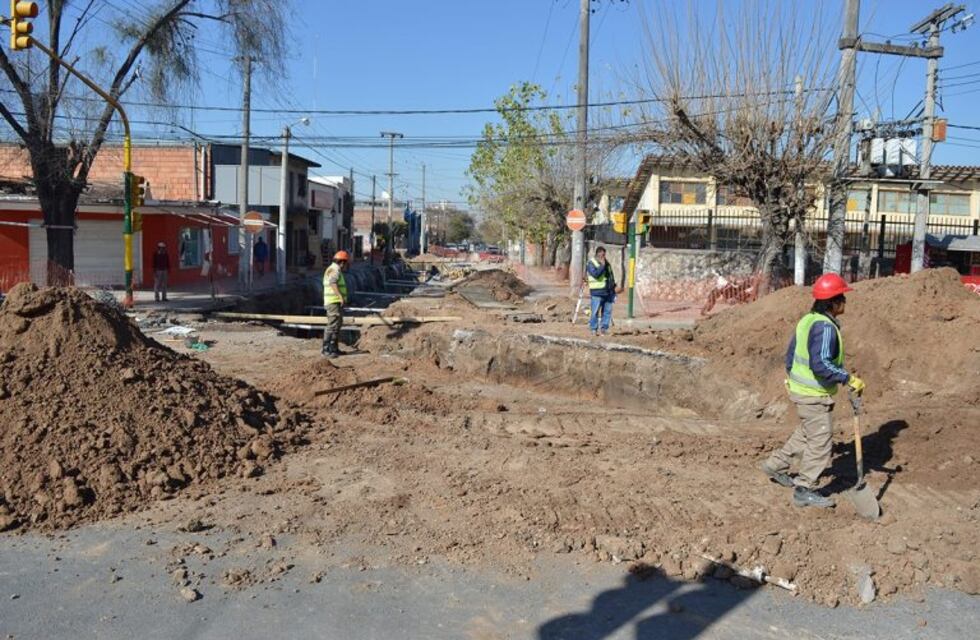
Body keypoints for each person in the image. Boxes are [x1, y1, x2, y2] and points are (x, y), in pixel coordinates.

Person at [761, 273, 866, 509]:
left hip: (802, 390)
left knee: (807, 433)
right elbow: (821, 364)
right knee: (820, 442)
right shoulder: (825, 327)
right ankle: (804, 489)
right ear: (833, 303)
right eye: (842, 298)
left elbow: (791, 356)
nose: (845, 302)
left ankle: (775, 465)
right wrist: (848, 378)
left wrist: (796, 381)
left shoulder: (807, 320)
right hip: (813, 394)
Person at [322, 250, 350, 357]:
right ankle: (326, 349)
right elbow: (333, 283)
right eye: (345, 263)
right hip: (333, 302)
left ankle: (334, 348)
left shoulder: (335, 269)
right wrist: (340, 296)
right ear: (342, 262)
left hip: (335, 302)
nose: (345, 266)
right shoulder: (334, 270)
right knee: (332, 325)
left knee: (337, 325)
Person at [585, 247, 617, 336]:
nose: (603, 257)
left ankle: (604, 329)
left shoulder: (607, 263)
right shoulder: (591, 263)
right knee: (595, 311)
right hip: (597, 292)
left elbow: (610, 275)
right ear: (597, 254)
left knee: (607, 311)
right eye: (602, 255)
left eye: (604, 255)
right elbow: (596, 274)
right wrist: (602, 265)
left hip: (608, 291)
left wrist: (613, 287)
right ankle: (593, 329)